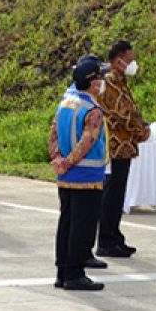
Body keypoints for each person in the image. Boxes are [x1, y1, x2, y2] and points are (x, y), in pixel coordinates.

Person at [47, 57, 109, 291]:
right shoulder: (92, 110)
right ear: (92, 82)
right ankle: (74, 273)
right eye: (100, 78)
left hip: (65, 175)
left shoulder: (66, 102)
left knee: (66, 222)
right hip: (86, 175)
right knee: (81, 227)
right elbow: (87, 141)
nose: (102, 82)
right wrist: (70, 162)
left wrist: (57, 160)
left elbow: (53, 133)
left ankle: (62, 271)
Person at [95, 40, 151, 258]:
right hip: (116, 145)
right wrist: (140, 129)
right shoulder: (109, 82)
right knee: (112, 195)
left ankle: (114, 235)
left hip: (125, 146)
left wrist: (142, 125)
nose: (131, 63)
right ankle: (106, 240)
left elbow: (130, 108)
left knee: (118, 195)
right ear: (117, 60)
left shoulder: (120, 80)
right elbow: (121, 113)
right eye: (128, 59)